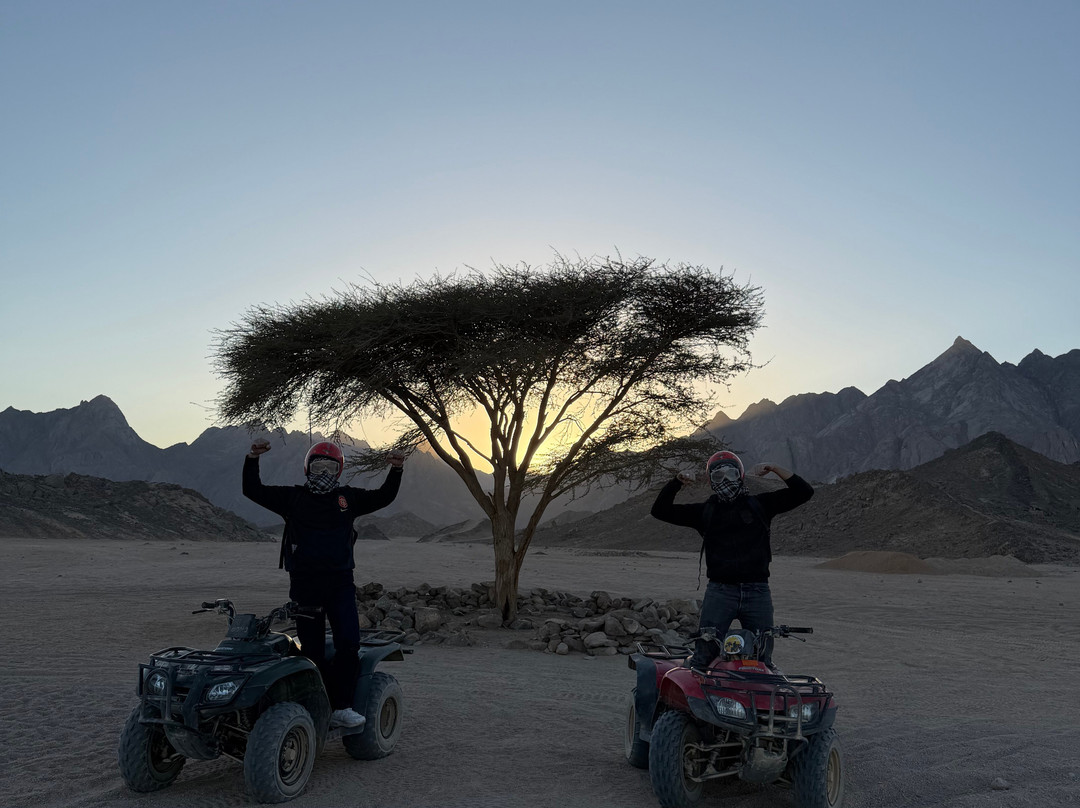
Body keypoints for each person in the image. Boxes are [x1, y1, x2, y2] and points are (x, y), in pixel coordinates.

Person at [242, 437, 405, 728]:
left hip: (341, 583)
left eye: (330, 466)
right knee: (312, 651)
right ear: (308, 467)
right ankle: (315, 707)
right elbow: (252, 490)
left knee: (348, 644)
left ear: (339, 469)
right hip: (305, 586)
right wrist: (252, 458)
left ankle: (341, 706)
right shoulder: (292, 498)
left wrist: (396, 469)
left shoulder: (348, 499)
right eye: (319, 465)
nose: (324, 471)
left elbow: (383, 497)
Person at [651, 450, 813, 669]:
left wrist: (774, 467)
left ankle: (759, 702)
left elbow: (804, 492)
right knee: (703, 656)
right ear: (711, 481)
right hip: (720, 592)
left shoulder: (762, 505)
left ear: (741, 475)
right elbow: (660, 511)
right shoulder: (705, 512)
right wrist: (676, 482)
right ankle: (698, 701)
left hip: (757, 592)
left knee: (762, 658)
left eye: (731, 473)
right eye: (718, 476)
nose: (726, 480)